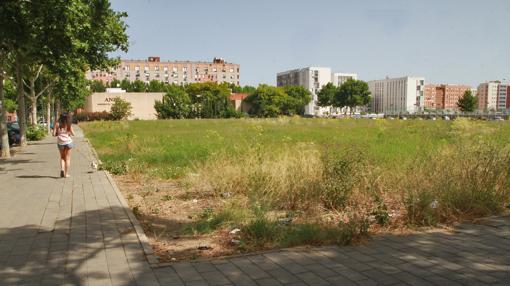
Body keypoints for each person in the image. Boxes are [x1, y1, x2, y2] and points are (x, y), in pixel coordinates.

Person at [53, 113, 75, 178]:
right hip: (68, 142)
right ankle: (66, 174)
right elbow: (73, 134)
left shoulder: (57, 124)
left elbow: (53, 134)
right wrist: (69, 133)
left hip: (60, 143)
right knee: (68, 158)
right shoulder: (68, 125)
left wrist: (58, 133)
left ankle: (62, 169)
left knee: (62, 157)